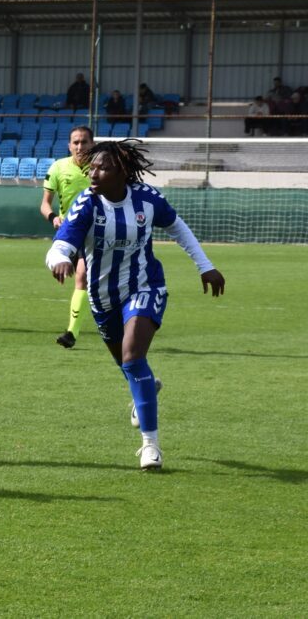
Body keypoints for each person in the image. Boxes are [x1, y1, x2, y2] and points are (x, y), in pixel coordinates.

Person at [46, 139, 225, 471]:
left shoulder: (147, 199)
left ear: (122, 172)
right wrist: (59, 259)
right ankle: (145, 389)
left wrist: (205, 265)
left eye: (102, 167)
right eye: (92, 167)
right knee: (130, 368)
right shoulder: (87, 204)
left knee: (132, 356)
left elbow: (178, 227)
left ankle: (150, 445)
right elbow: (60, 244)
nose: (93, 173)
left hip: (145, 287)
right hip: (103, 299)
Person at [40, 125, 94, 348]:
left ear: (92, 144)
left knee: (81, 277)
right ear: (69, 145)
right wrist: (53, 216)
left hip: (95, 231)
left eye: (84, 142)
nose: (80, 146)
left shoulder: (100, 167)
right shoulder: (58, 168)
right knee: (81, 278)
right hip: (69, 232)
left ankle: (71, 333)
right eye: (76, 142)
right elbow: (44, 204)